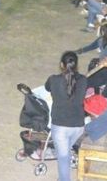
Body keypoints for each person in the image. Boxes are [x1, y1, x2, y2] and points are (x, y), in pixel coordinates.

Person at [44, 51, 87, 181]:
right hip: (78, 127)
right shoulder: (84, 80)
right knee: (65, 151)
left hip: (60, 127)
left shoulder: (54, 80)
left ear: (62, 65)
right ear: (76, 65)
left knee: (63, 158)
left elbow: (47, 88)